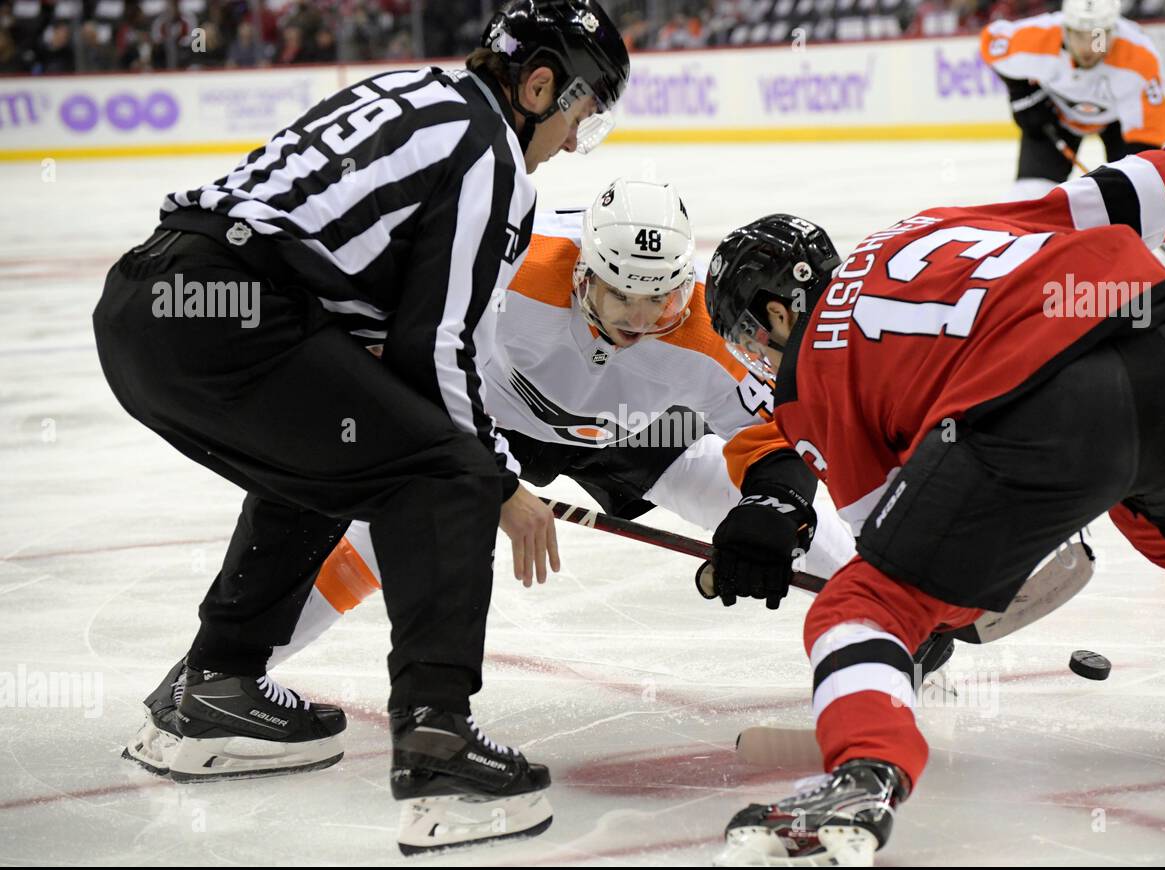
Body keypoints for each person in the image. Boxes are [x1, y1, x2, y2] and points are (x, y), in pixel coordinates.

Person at [100, 0, 628, 855]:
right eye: (580, 115)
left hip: (146, 303)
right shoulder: (489, 153)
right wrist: (498, 482)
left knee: (331, 458)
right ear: (539, 85)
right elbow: (436, 348)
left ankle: (217, 687)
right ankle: (439, 745)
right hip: (231, 319)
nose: (572, 142)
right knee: (444, 471)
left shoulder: (415, 91)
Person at [124, 178, 860, 769]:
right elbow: (397, 351)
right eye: (621, 298)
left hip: (634, 430)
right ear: (583, 276)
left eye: (660, 298)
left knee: (738, 495)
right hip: (491, 414)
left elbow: (776, 445)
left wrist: (774, 510)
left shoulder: (700, 325)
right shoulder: (516, 270)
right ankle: (212, 680)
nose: (641, 320)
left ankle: (887, 608)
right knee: (383, 539)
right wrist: (483, 475)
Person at [702, 140, 1165, 865]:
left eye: (748, 340)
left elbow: (901, 552)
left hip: (1053, 412)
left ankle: (862, 776)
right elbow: (1123, 193)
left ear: (774, 313)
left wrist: (935, 626)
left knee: (863, 606)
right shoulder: (921, 227)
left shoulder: (805, 379)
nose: (758, 359)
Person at [981, 0, 1165, 200]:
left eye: (1097, 36)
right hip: (1056, 116)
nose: (1087, 48)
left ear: (1112, 32)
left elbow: (1148, 134)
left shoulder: (1139, 57)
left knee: (1136, 197)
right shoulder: (1041, 36)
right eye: (1078, 35)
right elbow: (990, 42)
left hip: (1117, 122)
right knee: (1029, 196)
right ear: (1065, 29)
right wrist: (1021, 94)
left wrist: (1132, 183)